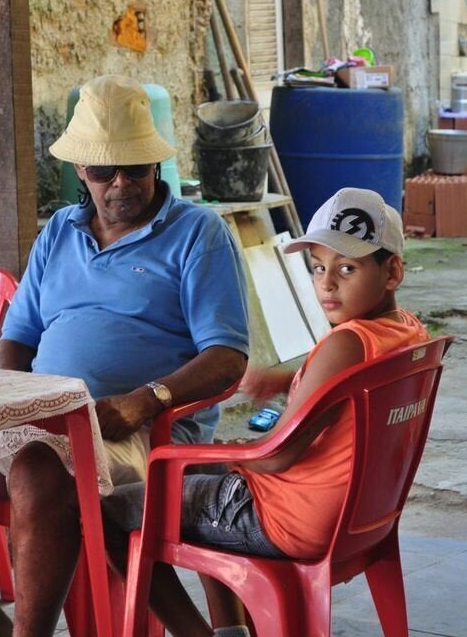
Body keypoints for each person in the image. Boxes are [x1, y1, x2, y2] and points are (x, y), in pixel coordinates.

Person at [0, 75, 250, 637]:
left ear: (156, 167)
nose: (121, 184)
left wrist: (146, 401)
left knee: (37, 470)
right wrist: (0, 406)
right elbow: (18, 339)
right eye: (103, 171)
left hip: (143, 431)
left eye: (135, 168)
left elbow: (227, 356)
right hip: (42, 423)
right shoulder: (59, 234)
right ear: (81, 172)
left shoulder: (198, 233)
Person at [102, 188, 429, 637]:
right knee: (198, 470)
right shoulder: (407, 333)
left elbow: (275, 458)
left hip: (287, 519)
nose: (327, 284)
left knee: (109, 509)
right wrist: (287, 381)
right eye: (318, 267)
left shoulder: (345, 343)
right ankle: (230, 631)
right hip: (358, 518)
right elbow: (344, 380)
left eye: (347, 268)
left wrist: (236, 451)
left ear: (392, 271)